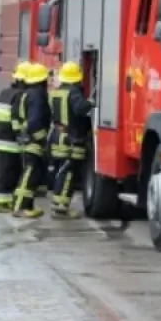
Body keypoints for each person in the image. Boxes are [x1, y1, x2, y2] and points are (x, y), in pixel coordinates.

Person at [49, 61, 94, 218]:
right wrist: (90, 103)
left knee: (62, 170)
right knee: (68, 173)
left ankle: (58, 204)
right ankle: (61, 207)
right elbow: (79, 108)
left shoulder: (57, 92)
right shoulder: (73, 92)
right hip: (70, 138)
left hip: (58, 135)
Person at [12, 62, 52, 219]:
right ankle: (20, 207)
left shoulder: (27, 93)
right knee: (29, 174)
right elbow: (35, 121)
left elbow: (18, 117)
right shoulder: (37, 96)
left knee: (30, 174)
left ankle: (27, 206)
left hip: (25, 139)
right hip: (33, 142)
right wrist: (41, 138)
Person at [0, 63, 28, 213]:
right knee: (11, 172)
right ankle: (1, 202)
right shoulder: (20, 96)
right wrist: (21, 135)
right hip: (11, 140)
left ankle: (4, 201)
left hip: (0, 138)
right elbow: (16, 118)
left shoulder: (4, 93)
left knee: (5, 171)